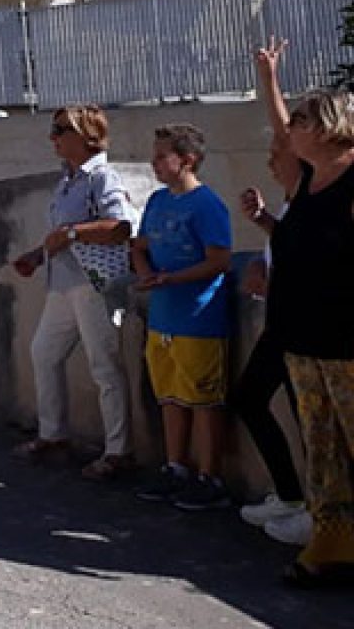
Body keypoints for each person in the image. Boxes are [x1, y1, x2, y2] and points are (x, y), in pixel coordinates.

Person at [260, 75, 354, 586]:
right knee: (321, 448)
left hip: (346, 343)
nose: (288, 131)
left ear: (324, 127)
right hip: (302, 341)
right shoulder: (305, 182)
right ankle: (331, 542)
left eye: (299, 121)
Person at [11, 105, 137, 481]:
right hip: (63, 282)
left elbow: (121, 226)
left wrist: (72, 234)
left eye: (60, 130)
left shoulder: (101, 177)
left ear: (86, 135)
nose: (53, 137)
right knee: (43, 352)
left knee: (104, 365)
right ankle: (53, 435)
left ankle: (118, 451)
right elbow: (62, 233)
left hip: (93, 282)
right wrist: (37, 255)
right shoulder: (67, 179)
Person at [130, 124, 234, 510]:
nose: (154, 163)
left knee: (204, 401)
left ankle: (210, 475)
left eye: (162, 156)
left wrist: (173, 278)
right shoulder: (157, 201)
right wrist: (145, 274)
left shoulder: (207, 205)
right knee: (171, 398)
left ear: (186, 160)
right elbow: (139, 246)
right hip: (163, 318)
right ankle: (176, 467)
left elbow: (219, 260)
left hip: (198, 319)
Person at [232, 37, 311, 545]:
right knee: (250, 399)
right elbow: (291, 249)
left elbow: (284, 133)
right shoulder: (291, 207)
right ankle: (292, 497)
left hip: (310, 327)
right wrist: (263, 224)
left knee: (313, 422)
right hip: (283, 323)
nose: (270, 160)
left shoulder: (313, 188)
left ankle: (318, 513)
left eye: (277, 154)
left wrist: (270, 79)